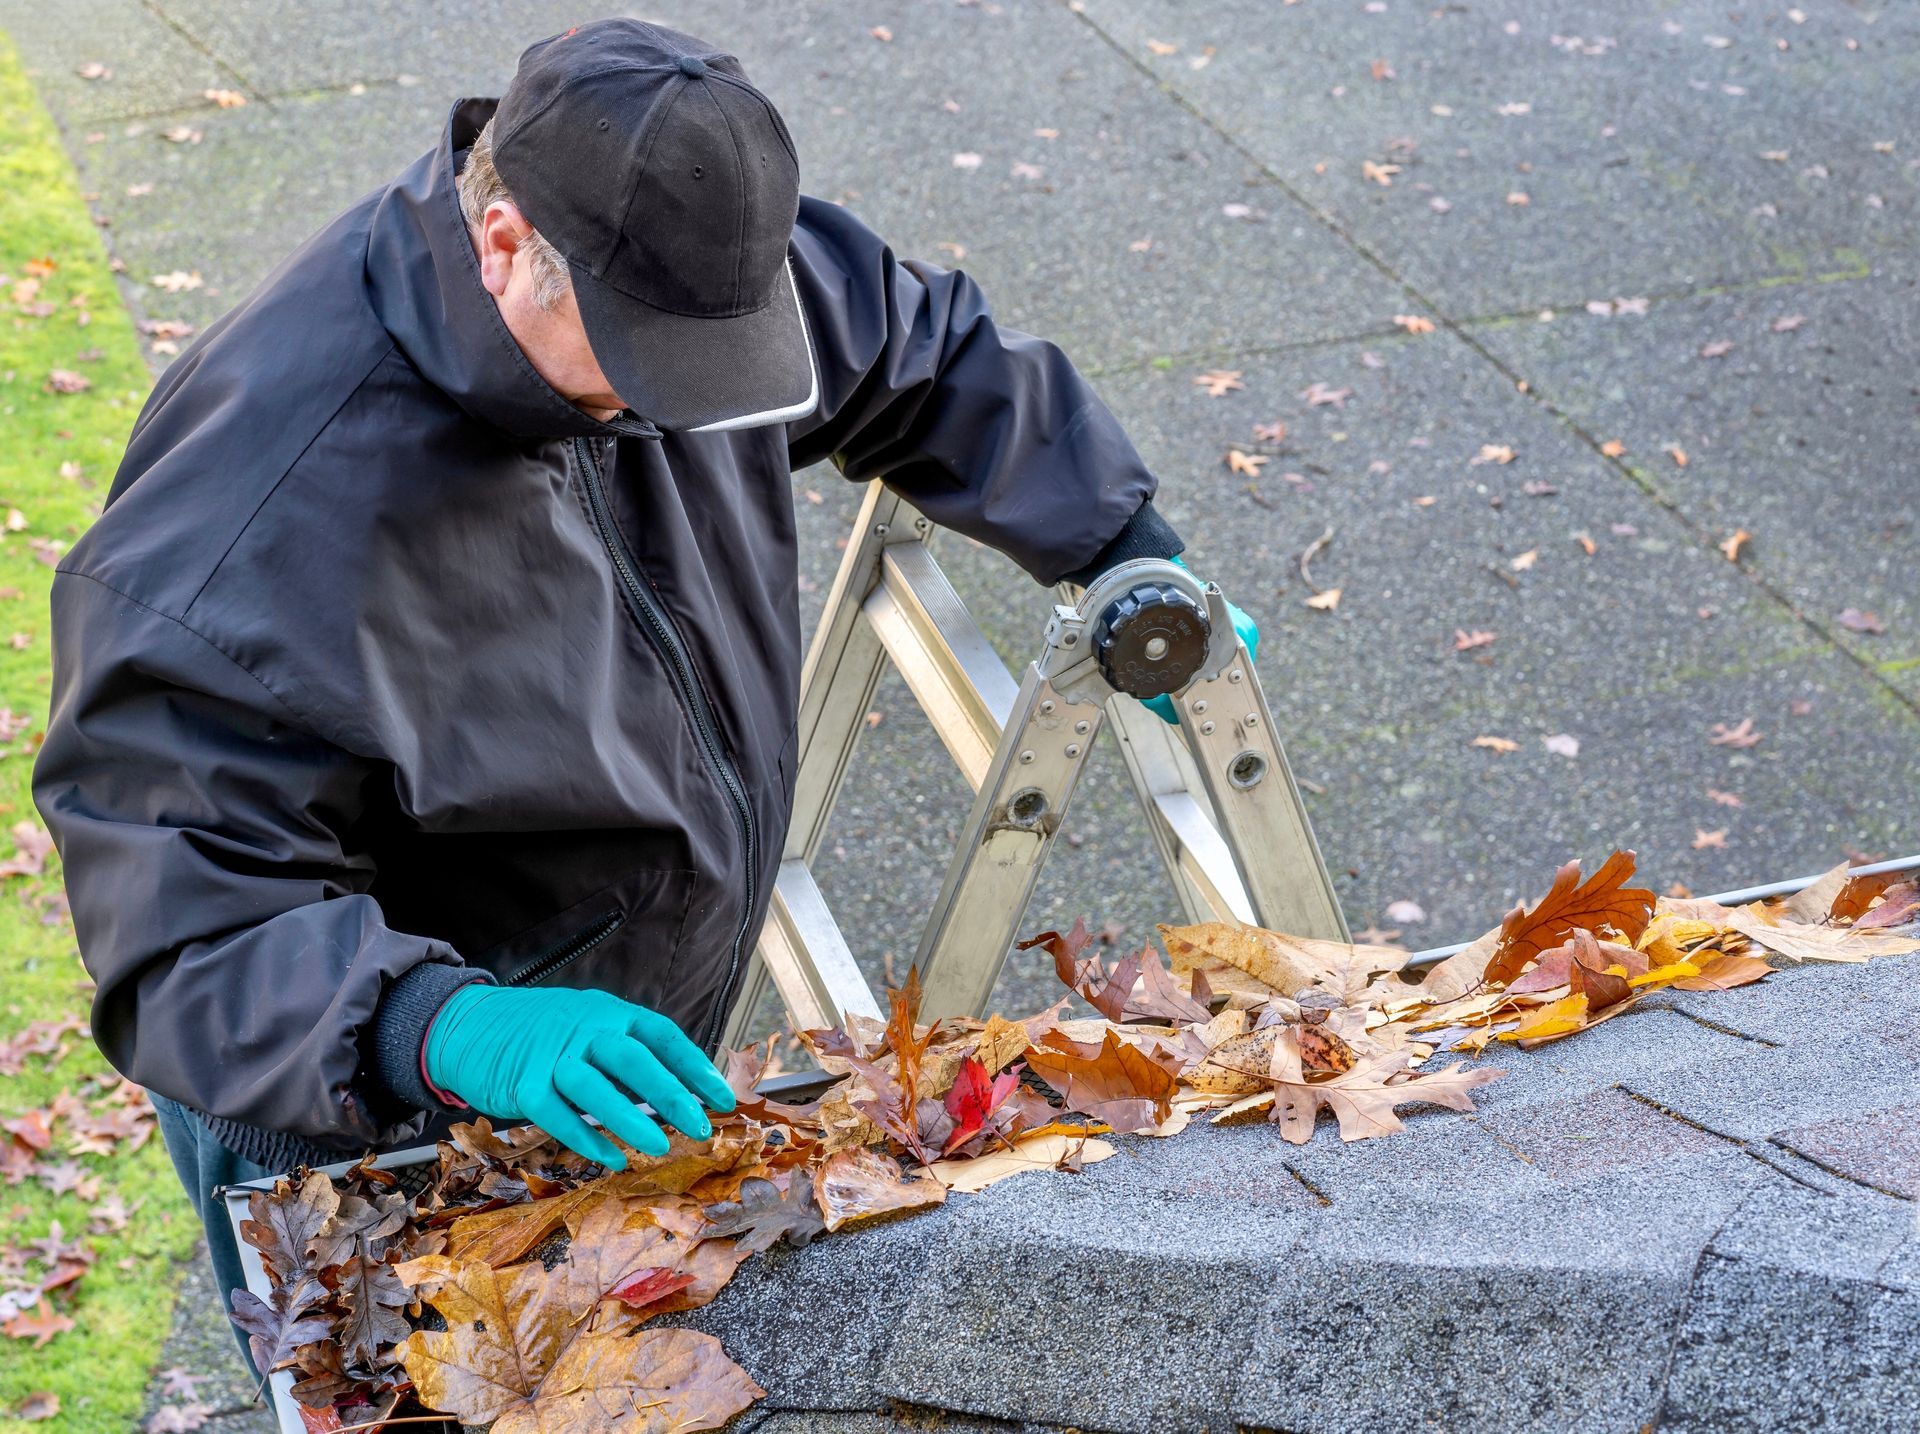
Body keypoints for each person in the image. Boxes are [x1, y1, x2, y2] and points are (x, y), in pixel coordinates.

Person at [32, 16, 1254, 1353]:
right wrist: (440, 1024)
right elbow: (183, 921)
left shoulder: (685, 254)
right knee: (400, 1370)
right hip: (353, 1073)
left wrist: (1126, 551)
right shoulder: (248, 522)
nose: (688, 408)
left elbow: (923, 355)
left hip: (591, 994)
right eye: (651, 367)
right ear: (504, 244)